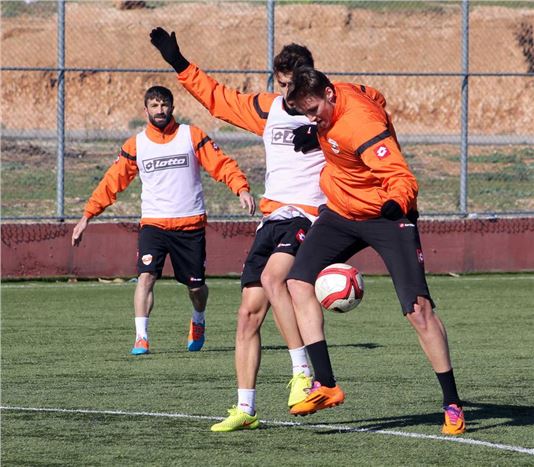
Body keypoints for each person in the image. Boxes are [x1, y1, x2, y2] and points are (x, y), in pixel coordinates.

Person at [150, 28, 389, 432]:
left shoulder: (331, 109)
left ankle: (302, 376)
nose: (284, 92)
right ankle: (246, 408)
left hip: (310, 215)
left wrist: (316, 130)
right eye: (279, 84)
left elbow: (374, 100)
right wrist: (179, 62)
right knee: (247, 316)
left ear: (309, 79)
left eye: (290, 84)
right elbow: (218, 98)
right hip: (272, 217)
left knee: (275, 277)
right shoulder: (269, 108)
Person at [283, 67, 465, 435]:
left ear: (330, 94)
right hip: (341, 212)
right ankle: (327, 384)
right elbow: (376, 94)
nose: (311, 116)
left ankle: (452, 404)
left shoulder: (361, 124)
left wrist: (398, 202)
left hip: (387, 214)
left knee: (419, 311)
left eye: (314, 109)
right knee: (298, 281)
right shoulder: (343, 96)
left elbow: (401, 176)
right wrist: (316, 133)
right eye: (304, 112)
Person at [71, 85, 255, 356]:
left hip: (189, 224)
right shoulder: (136, 145)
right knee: (145, 277)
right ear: (146, 110)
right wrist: (87, 215)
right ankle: (141, 337)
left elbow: (221, 164)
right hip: (153, 225)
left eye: (164, 105)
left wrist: (240, 187)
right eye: (154, 106)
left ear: (172, 107)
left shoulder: (191, 135)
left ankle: (198, 319)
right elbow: (113, 182)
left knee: (196, 286)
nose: (160, 110)